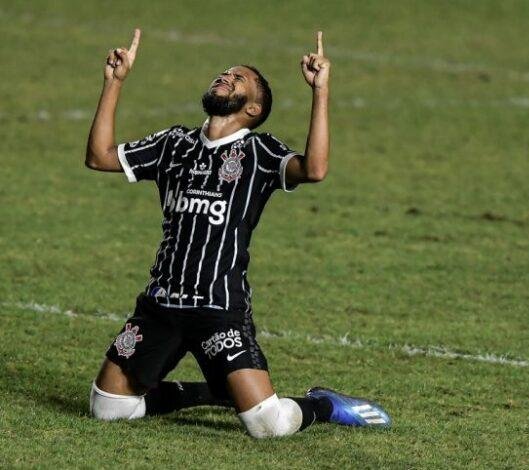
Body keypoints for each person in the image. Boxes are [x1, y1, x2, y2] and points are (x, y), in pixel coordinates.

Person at [85, 28, 391, 437]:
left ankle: (324, 403)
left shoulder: (260, 153)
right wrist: (114, 82)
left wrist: (320, 92)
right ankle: (209, 392)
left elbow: (314, 169)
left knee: (267, 425)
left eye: (238, 78)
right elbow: (99, 156)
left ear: (253, 108)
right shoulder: (174, 143)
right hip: (162, 304)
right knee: (106, 408)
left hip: (218, 309)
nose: (225, 77)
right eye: (224, 73)